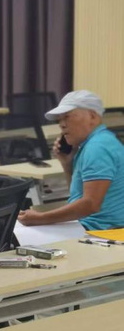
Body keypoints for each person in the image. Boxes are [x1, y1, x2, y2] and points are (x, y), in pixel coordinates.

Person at [18, 90, 124, 230]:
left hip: (99, 231)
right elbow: (78, 197)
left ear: (92, 116)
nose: (61, 125)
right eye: (60, 119)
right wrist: (67, 165)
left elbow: (90, 204)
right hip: (93, 225)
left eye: (67, 117)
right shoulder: (96, 142)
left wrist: (40, 218)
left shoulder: (97, 148)